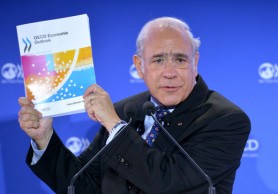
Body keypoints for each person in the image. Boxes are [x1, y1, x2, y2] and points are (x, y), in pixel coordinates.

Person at [18, 17, 251, 194]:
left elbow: (166, 183)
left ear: (195, 62)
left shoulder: (226, 120)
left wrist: (114, 125)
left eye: (180, 59)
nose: (170, 73)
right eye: (158, 60)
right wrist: (44, 138)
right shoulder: (125, 111)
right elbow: (83, 185)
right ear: (139, 66)